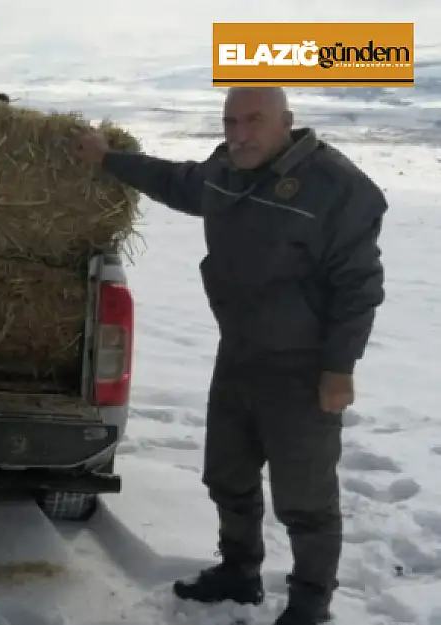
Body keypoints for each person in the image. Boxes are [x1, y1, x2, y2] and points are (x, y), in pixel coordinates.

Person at [73, 87, 386, 625]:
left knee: (305, 498)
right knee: (228, 475)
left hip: (303, 367)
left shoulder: (338, 189)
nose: (239, 133)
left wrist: (340, 368)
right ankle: (239, 572)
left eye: (253, 121)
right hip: (239, 353)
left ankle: (311, 602)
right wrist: (109, 161)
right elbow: (176, 181)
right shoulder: (227, 172)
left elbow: (359, 286)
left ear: (287, 121)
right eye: (230, 122)